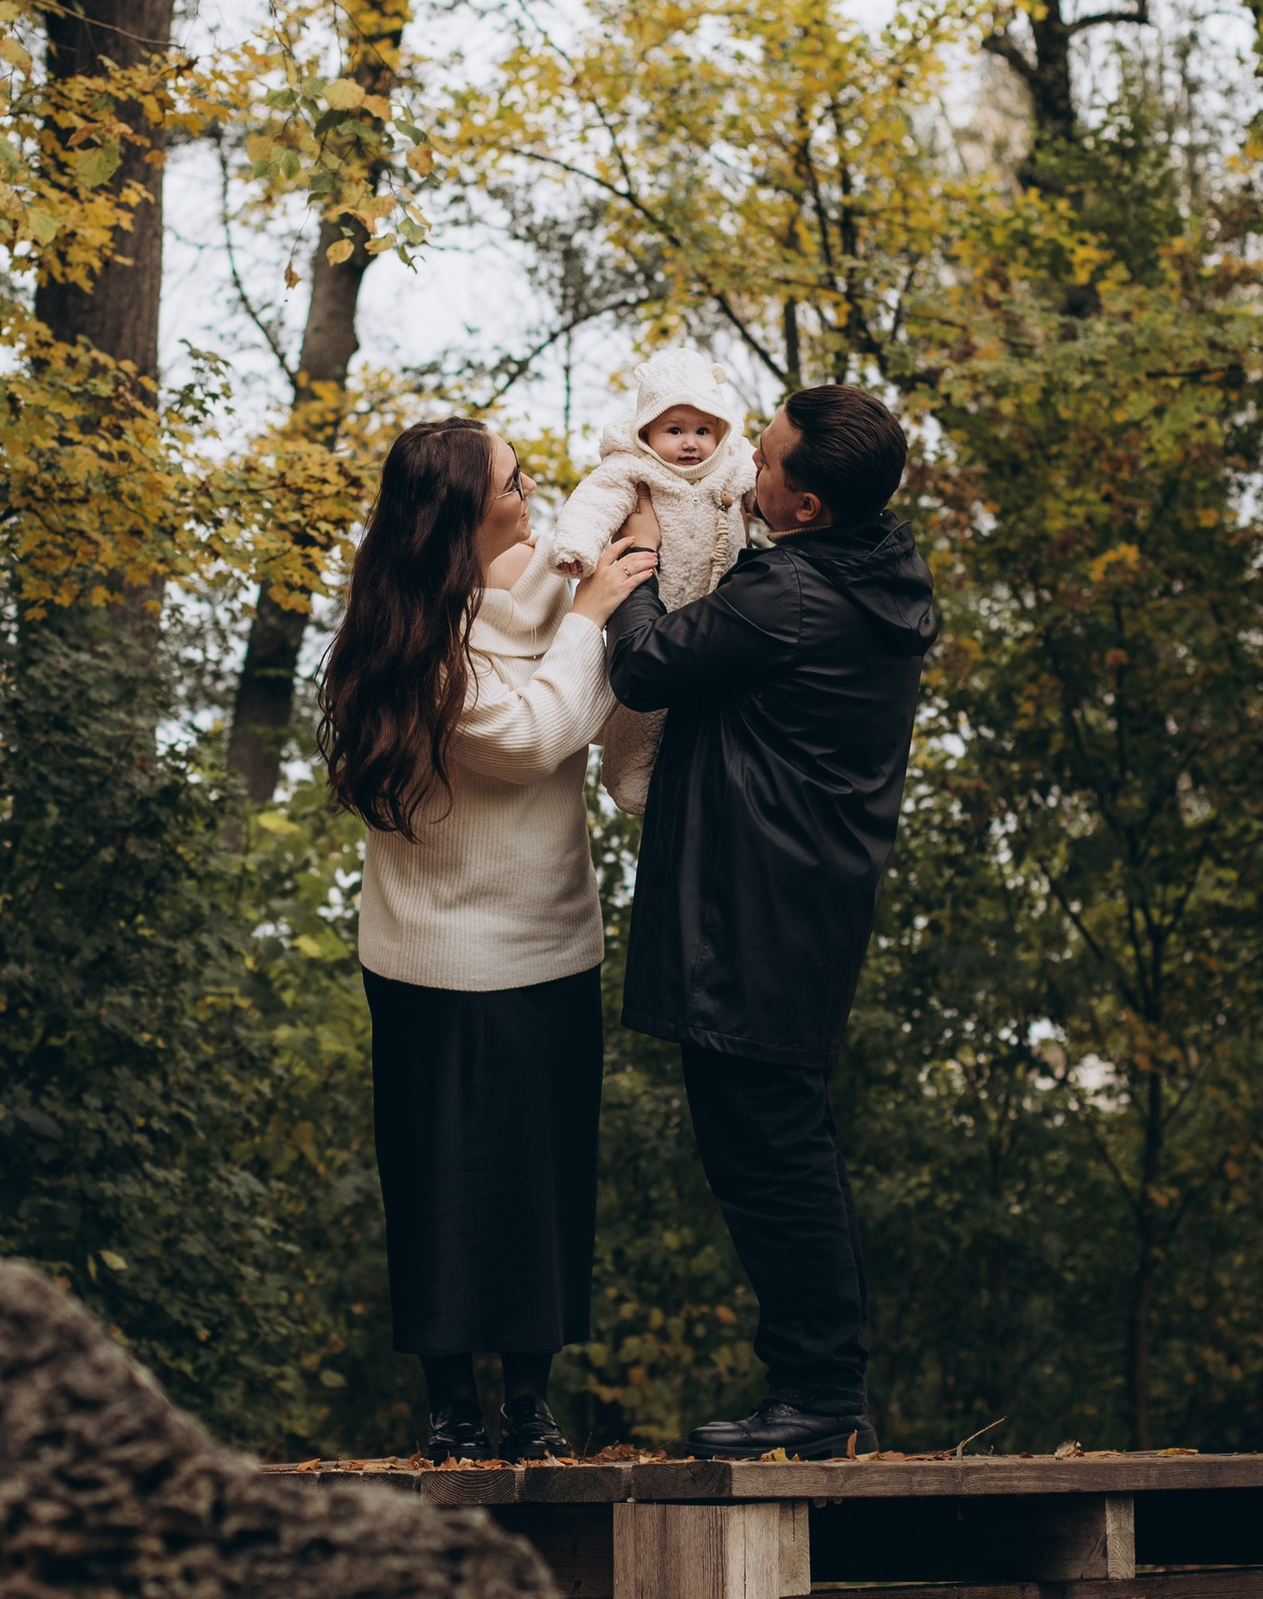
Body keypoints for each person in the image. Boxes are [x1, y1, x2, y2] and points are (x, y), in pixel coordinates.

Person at [605, 384, 937, 1459]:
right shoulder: (868, 571)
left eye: (767, 460)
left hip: (747, 912)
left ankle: (819, 1396)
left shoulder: (792, 593)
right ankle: (820, 1390)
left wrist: (637, 568)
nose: (746, 463)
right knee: (782, 1146)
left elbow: (651, 663)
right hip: (796, 903)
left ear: (806, 509)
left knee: (772, 1157)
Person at [320, 417, 652, 1463]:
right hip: (432, 958)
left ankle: (530, 1402)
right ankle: (451, 1404)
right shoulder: (402, 643)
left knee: (542, 1178)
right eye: (513, 484)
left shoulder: (507, 607)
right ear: (462, 515)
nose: (529, 497)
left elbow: (545, 637)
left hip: (552, 944)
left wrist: (630, 549)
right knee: (440, 1179)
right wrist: (596, 613)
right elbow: (533, 735)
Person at [548, 345, 758, 816]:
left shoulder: (735, 464)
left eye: (704, 430)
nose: (691, 443)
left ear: (721, 429)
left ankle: (706, 782)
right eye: (675, 430)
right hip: (654, 607)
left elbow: (764, 489)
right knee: (643, 706)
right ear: (645, 430)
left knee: (708, 702)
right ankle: (630, 777)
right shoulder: (630, 468)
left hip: (720, 604)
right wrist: (577, 549)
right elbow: (593, 504)